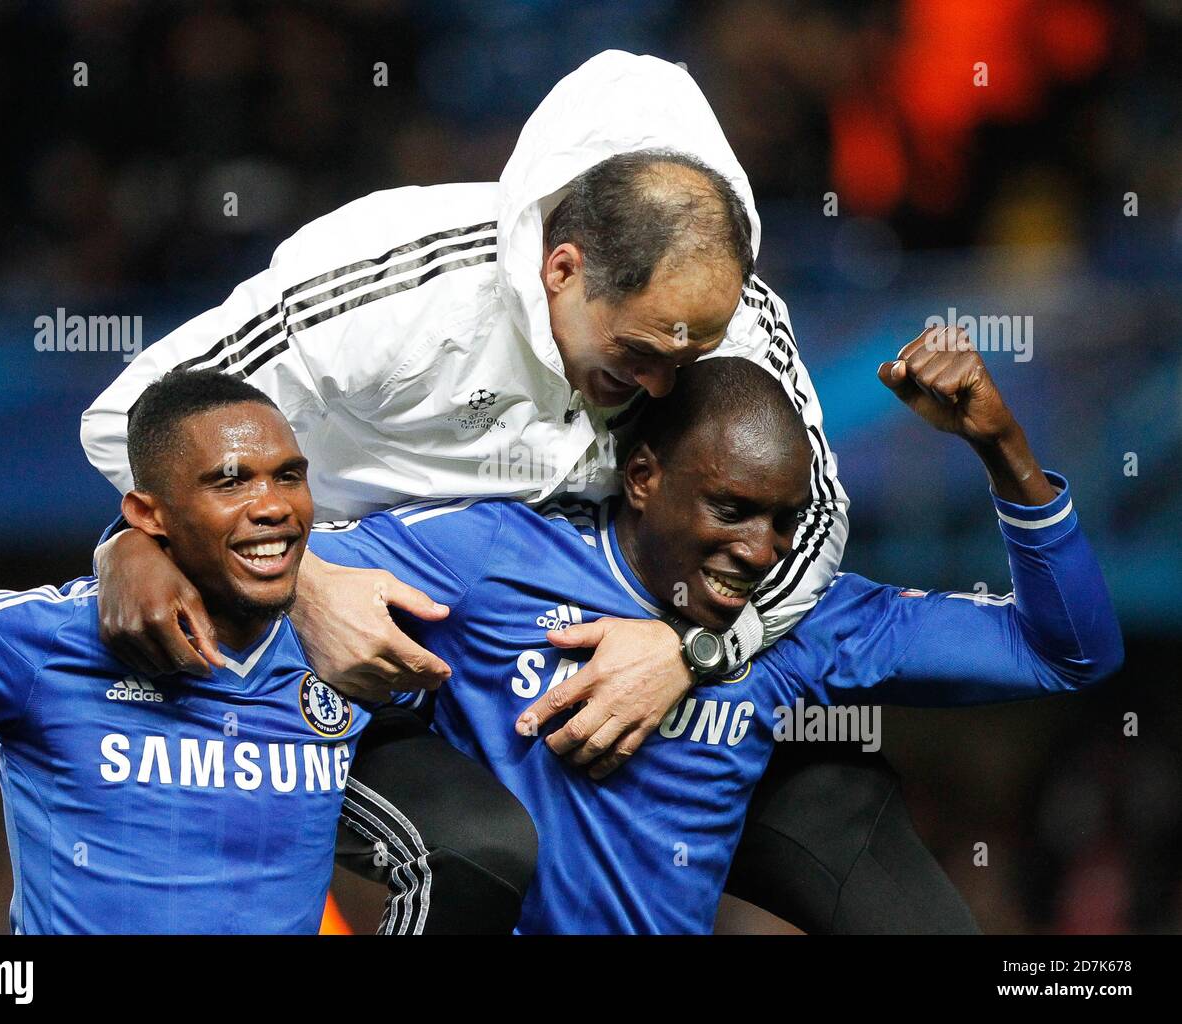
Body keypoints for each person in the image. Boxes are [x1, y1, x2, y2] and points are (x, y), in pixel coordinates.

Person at [79, 51, 965, 934]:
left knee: (868, 855)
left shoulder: (733, 323)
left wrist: (689, 650)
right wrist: (299, 584)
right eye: (638, 356)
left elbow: (817, 522)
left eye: (687, 361)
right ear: (563, 269)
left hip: (605, 658)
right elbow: (132, 417)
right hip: (373, 660)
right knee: (474, 849)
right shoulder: (397, 282)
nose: (664, 392)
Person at [311, 332, 1122, 932]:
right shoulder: (493, 554)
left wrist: (1001, 446)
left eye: (784, 521)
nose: (760, 550)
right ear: (642, 477)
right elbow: (282, 575)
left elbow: (1067, 652)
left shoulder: (803, 625)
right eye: (730, 509)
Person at [0, 372, 367, 933]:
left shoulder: (345, 637)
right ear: (148, 514)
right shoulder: (42, 638)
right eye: (230, 484)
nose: (273, 506)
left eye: (288, 477)